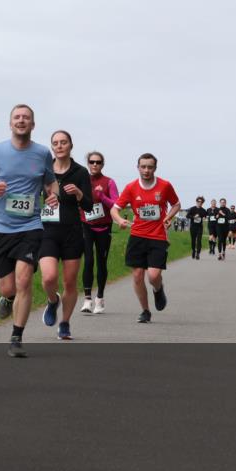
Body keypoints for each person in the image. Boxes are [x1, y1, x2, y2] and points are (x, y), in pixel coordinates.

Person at [0, 104, 59, 358]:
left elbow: (50, 181)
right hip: (0, 228)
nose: (21, 121)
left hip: (30, 226)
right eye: (17, 117)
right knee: (7, 287)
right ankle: (8, 299)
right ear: (10, 123)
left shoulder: (42, 153)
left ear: (33, 125)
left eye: (26, 118)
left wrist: (52, 195)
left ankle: (16, 337)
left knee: (24, 280)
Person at [110, 153, 181, 323]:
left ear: (155, 168)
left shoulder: (164, 186)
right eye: (143, 166)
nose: (146, 170)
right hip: (137, 235)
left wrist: (168, 217)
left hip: (158, 236)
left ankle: (158, 289)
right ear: (138, 167)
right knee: (137, 275)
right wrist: (119, 220)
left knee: (154, 276)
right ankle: (145, 311)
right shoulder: (131, 187)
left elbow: (177, 204)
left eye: (150, 167)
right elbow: (114, 209)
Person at [38, 131, 93, 339]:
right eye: (55, 143)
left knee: (70, 282)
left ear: (71, 145)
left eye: (63, 142)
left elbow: (89, 206)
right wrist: (46, 200)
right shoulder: (44, 170)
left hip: (72, 232)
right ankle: (53, 300)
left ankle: (65, 323)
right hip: (48, 231)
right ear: (52, 147)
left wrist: (79, 193)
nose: (59, 146)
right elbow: (33, 196)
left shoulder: (80, 172)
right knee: (49, 277)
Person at [81, 151, 118, 314]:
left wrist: (102, 196)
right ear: (88, 163)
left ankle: (100, 298)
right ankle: (87, 299)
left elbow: (116, 205)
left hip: (104, 227)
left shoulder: (109, 182)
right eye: (91, 161)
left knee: (101, 262)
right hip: (86, 225)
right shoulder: (82, 180)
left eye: (98, 162)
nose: (94, 164)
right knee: (88, 260)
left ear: (102, 164)